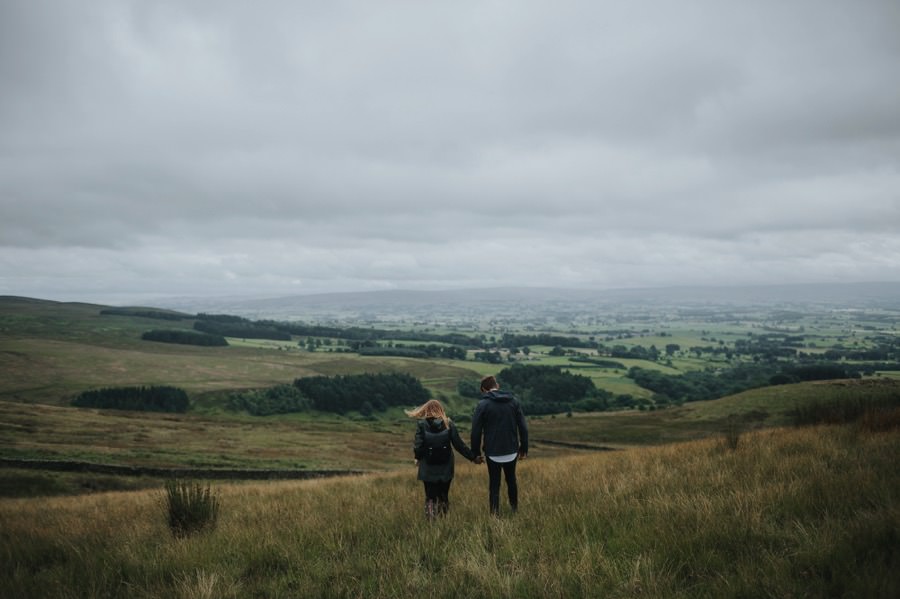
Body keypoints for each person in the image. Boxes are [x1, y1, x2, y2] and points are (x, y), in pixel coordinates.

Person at [406, 399, 480, 519]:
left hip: (428, 467)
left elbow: (418, 446)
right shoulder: (448, 423)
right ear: (440, 409)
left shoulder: (422, 424)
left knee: (430, 496)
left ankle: (430, 520)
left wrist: (417, 458)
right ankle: (443, 520)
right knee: (443, 495)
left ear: (426, 410)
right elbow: (459, 445)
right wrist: (473, 457)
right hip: (446, 466)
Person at [471, 375, 529, 516]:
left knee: (494, 485)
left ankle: (494, 515)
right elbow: (523, 427)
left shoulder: (482, 405)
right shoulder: (514, 402)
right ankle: (514, 511)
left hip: (492, 452)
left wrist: (476, 453)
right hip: (511, 450)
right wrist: (524, 449)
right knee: (511, 481)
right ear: (497, 386)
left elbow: (476, 432)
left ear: (483, 389)